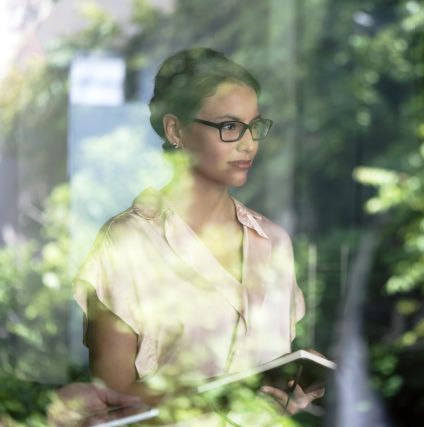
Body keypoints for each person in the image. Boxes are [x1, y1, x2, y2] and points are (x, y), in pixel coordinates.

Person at [73, 48, 309, 411]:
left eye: (255, 126)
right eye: (230, 127)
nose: (248, 143)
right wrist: (226, 399)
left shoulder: (274, 243)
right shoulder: (127, 243)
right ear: (175, 129)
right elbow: (109, 398)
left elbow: (272, 379)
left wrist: (289, 391)